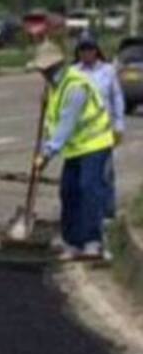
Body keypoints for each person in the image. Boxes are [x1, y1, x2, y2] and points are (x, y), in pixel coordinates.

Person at [32, 40, 117, 262]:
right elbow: (53, 122)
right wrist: (43, 148)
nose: (41, 73)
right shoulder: (55, 87)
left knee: (88, 190)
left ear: (52, 67)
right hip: (75, 149)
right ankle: (73, 241)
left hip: (95, 145)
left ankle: (92, 242)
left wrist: (47, 154)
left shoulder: (75, 86)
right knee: (68, 192)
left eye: (43, 69)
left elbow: (66, 125)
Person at [72, 32, 126, 225]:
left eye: (90, 49)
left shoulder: (108, 71)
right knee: (82, 176)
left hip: (104, 131)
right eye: (82, 49)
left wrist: (119, 125)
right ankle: (84, 212)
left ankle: (107, 212)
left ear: (96, 51)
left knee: (105, 173)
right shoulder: (74, 72)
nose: (86, 53)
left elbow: (117, 98)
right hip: (80, 133)